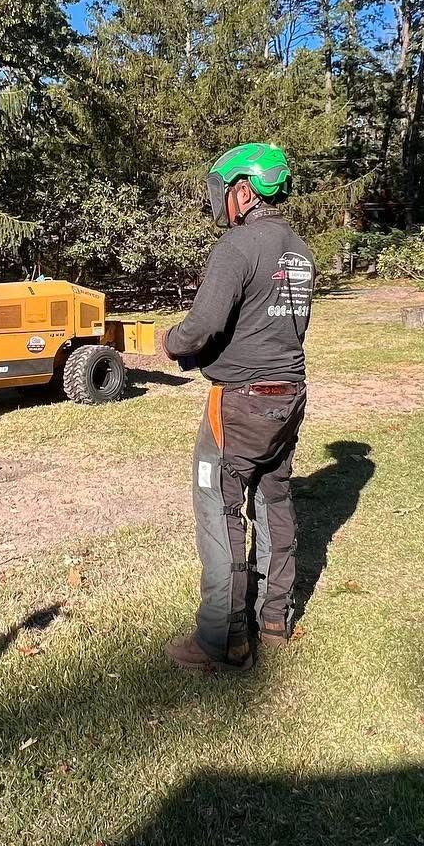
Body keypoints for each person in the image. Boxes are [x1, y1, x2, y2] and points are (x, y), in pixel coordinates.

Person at [161, 143, 315, 671]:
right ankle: (275, 619)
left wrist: (173, 344)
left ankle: (220, 639)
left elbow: (203, 326)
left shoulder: (236, 247)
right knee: (275, 501)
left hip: (240, 402)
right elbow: (269, 324)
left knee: (219, 506)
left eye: (223, 192)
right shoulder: (299, 250)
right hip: (289, 395)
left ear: (244, 190)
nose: (220, 203)